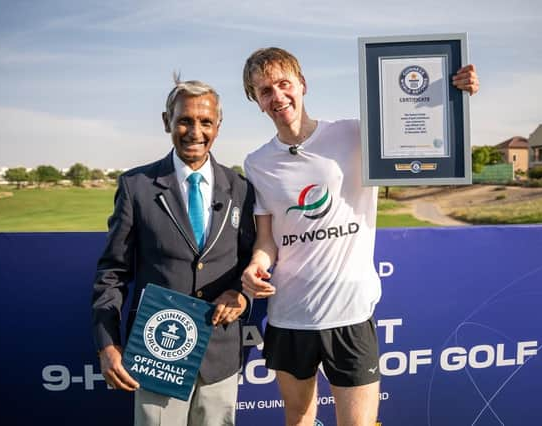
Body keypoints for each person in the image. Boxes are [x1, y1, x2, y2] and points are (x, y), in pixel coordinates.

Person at [240, 47, 479, 426]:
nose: (278, 96)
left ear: (302, 85)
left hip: (350, 312)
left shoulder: (355, 134)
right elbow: (267, 238)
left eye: (284, 84)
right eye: (265, 90)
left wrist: (451, 95)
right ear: (256, 100)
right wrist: (257, 264)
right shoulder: (257, 162)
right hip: (290, 315)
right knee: (298, 417)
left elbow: (419, 131)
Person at [92, 77, 255, 426]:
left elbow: (250, 263)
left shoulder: (240, 188)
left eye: (206, 122)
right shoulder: (136, 186)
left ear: (218, 126)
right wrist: (107, 344)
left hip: (220, 356)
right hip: (157, 354)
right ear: (167, 121)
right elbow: (112, 274)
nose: (195, 131)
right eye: (184, 120)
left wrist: (242, 296)